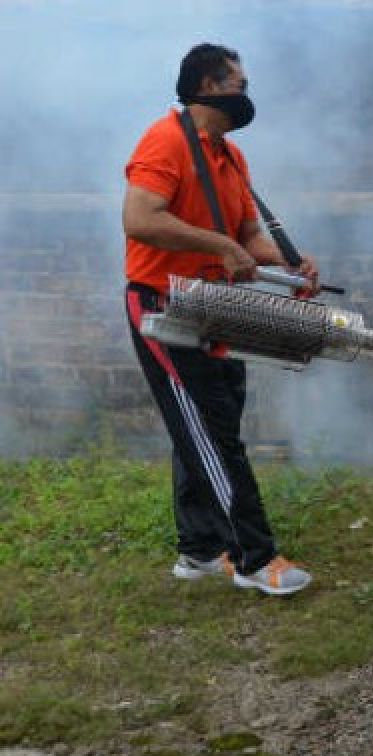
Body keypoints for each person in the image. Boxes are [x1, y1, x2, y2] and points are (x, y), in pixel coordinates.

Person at [122, 43, 316, 595]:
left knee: (209, 425)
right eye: (241, 82)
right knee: (210, 429)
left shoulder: (229, 156)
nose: (247, 94)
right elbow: (139, 219)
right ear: (210, 86)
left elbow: (249, 236)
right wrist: (216, 244)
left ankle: (200, 549)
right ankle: (254, 559)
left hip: (216, 305)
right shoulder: (164, 141)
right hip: (164, 305)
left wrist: (293, 264)